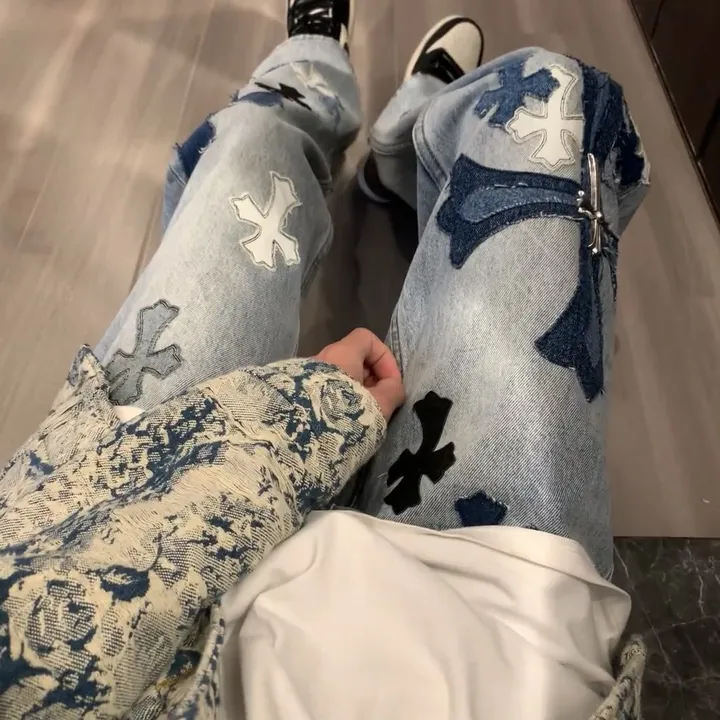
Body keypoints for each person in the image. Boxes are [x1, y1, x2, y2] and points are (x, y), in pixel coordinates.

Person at [0, 1, 650, 717]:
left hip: (121, 500)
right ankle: (410, 143)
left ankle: (315, 72)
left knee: (250, 149)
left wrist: (297, 420)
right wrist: (309, 416)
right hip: (497, 623)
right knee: (553, 94)